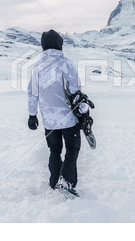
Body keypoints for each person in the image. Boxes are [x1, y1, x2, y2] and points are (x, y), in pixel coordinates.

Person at [27, 29, 82, 197]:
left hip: (49, 120)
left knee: (54, 150)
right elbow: (76, 91)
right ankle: (66, 182)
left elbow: (32, 93)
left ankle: (54, 182)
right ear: (59, 44)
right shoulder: (66, 63)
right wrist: (81, 113)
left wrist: (32, 115)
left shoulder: (37, 67)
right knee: (72, 148)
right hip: (68, 118)